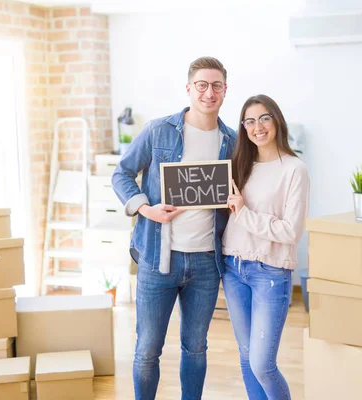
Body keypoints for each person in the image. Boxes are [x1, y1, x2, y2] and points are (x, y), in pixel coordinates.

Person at [111, 56, 237, 400]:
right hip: (157, 258)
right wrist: (145, 208)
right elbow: (121, 173)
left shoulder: (232, 141)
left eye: (216, 85)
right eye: (202, 85)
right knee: (148, 349)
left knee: (196, 348)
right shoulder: (158, 130)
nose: (209, 92)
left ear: (225, 90)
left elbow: (241, 191)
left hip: (206, 263)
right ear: (189, 88)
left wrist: (234, 200)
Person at [223, 94, 310, 400]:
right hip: (232, 268)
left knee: (262, 364)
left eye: (264, 118)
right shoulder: (239, 165)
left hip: (270, 273)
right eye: (249, 121)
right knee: (247, 357)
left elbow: (291, 231)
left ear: (277, 120)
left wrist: (244, 213)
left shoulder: (294, 169)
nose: (257, 127)